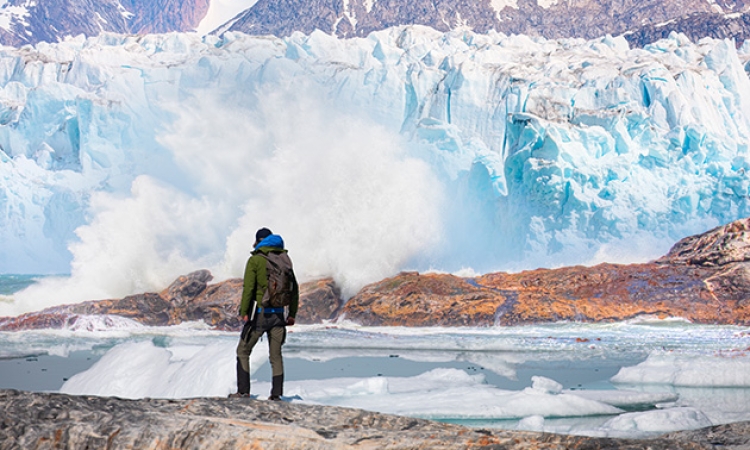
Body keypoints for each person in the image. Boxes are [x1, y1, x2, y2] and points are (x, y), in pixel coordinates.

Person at [230, 227, 299, 400]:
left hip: (261, 315)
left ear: (258, 241)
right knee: (276, 356)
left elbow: (248, 289)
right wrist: (292, 314)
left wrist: (244, 312)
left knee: (243, 351)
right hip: (279, 315)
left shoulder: (255, 260)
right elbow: (294, 288)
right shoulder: (284, 258)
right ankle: (276, 395)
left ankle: (243, 392)